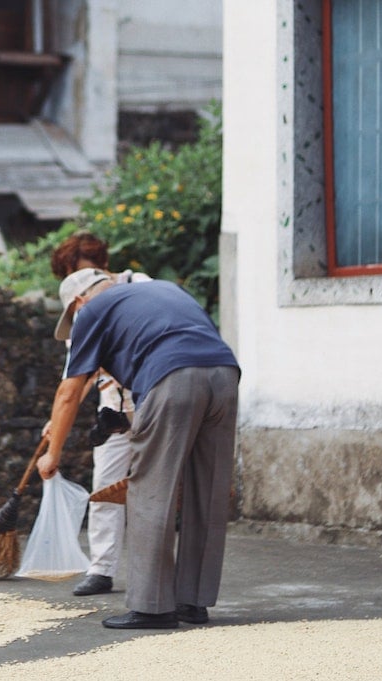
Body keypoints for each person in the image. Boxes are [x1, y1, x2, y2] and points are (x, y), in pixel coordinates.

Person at [37, 268, 240, 629]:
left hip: (172, 376)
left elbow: (69, 392)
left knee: (150, 491)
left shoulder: (92, 313)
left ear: (78, 303)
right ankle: (193, 603)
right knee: (207, 491)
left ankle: (153, 607)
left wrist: (52, 454)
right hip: (224, 375)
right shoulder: (161, 290)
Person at [48, 232, 150, 597]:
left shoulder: (139, 285)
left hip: (151, 399)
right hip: (112, 407)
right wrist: (58, 418)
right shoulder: (80, 312)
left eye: (85, 271)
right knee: (104, 486)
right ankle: (101, 569)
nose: (82, 281)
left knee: (154, 487)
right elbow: (75, 376)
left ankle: (152, 570)